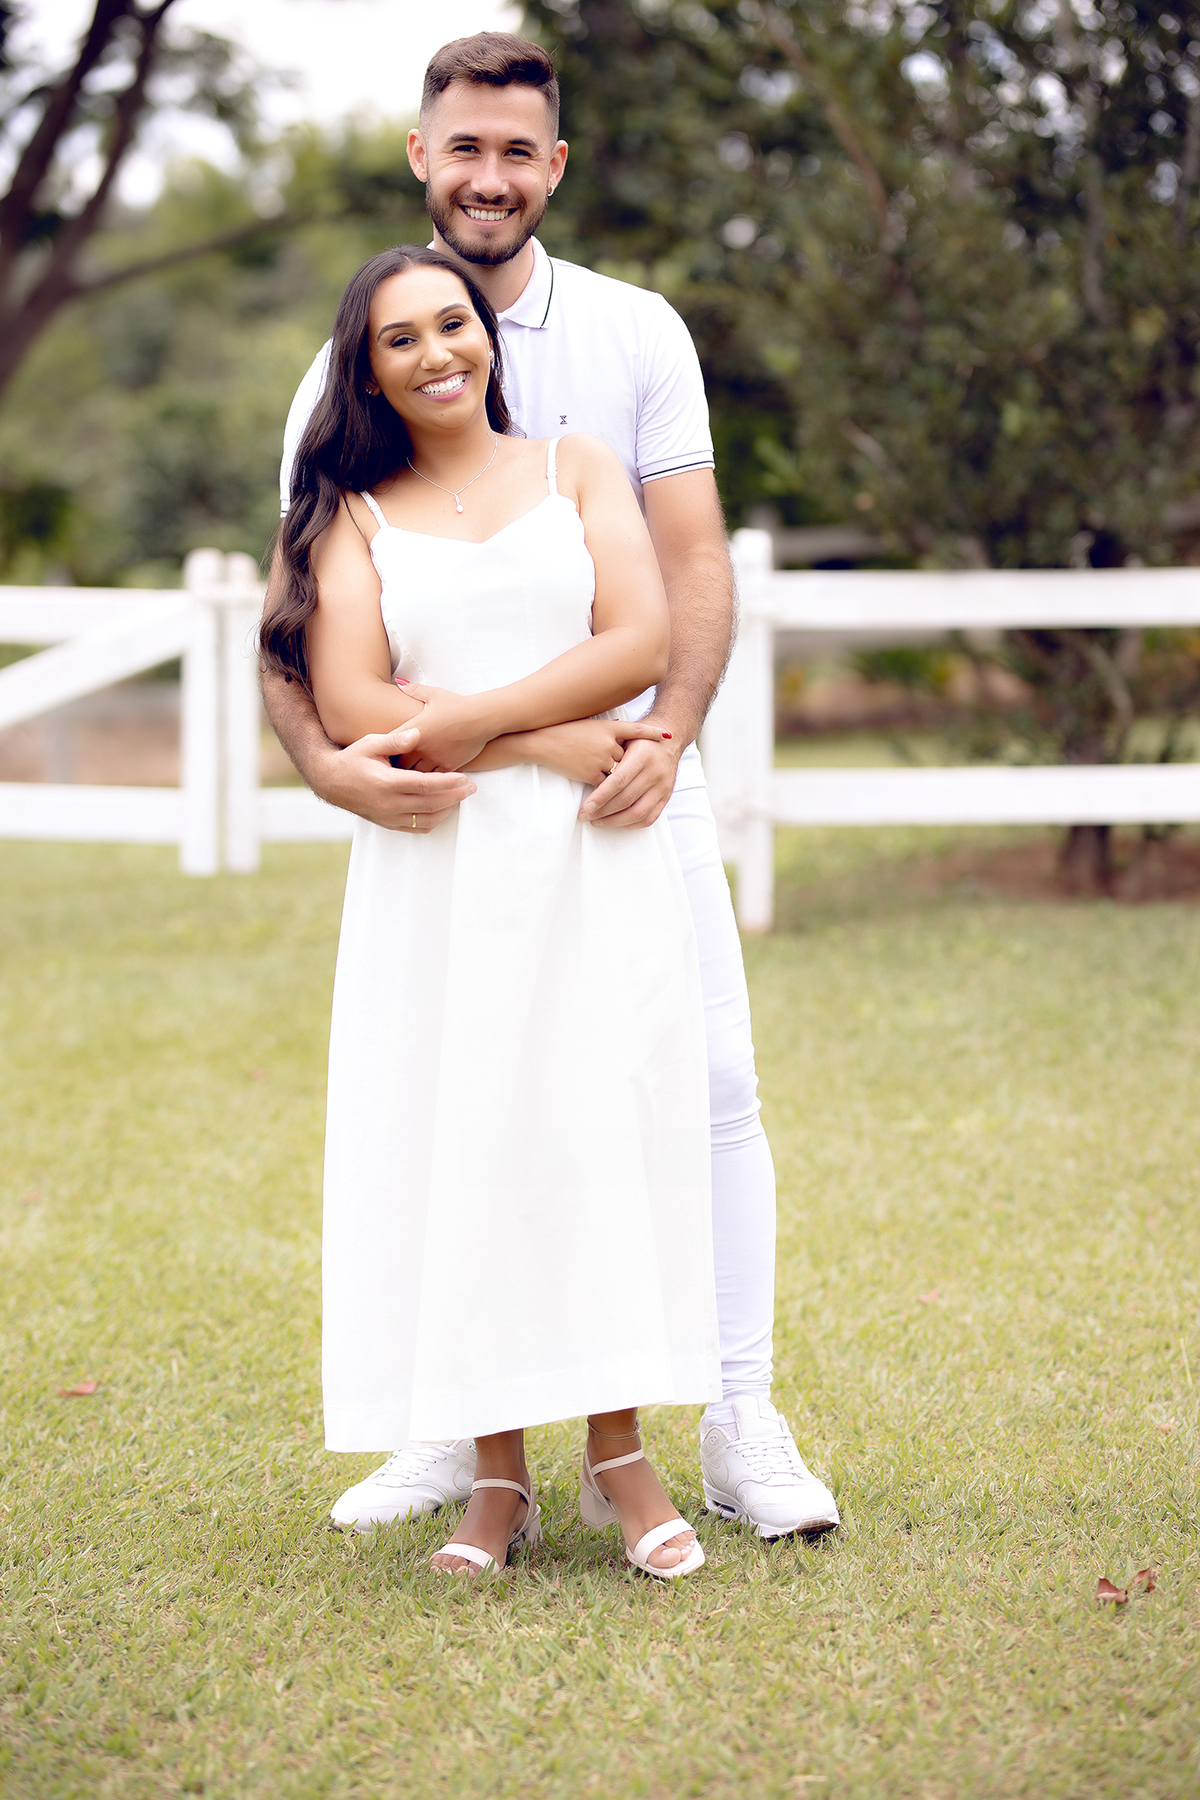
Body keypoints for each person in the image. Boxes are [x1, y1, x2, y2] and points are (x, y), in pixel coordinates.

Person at [266, 32, 839, 1541]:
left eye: (518, 150)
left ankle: (737, 1417)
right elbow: (304, 617)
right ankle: (457, 1432)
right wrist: (335, 766)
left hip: (634, 783)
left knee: (704, 1088)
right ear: (421, 155)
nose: (490, 175)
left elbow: (688, 567)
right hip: (452, 803)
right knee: (457, 1098)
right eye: (465, 146)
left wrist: (669, 733)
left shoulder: (635, 334)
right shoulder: (341, 366)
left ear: (555, 166)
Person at [263, 243, 720, 1578]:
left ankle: (622, 1459)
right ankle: (496, 1477)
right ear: (366, 372)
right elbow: (353, 699)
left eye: (451, 324)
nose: (436, 353)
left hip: (592, 854)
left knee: (597, 1127)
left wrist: (473, 717)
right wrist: (539, 738)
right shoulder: (351, 514)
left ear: (487, 336)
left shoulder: (576, 465)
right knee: (465, 1138)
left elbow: (639, 639)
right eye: (399, 339)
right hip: (444, 859)